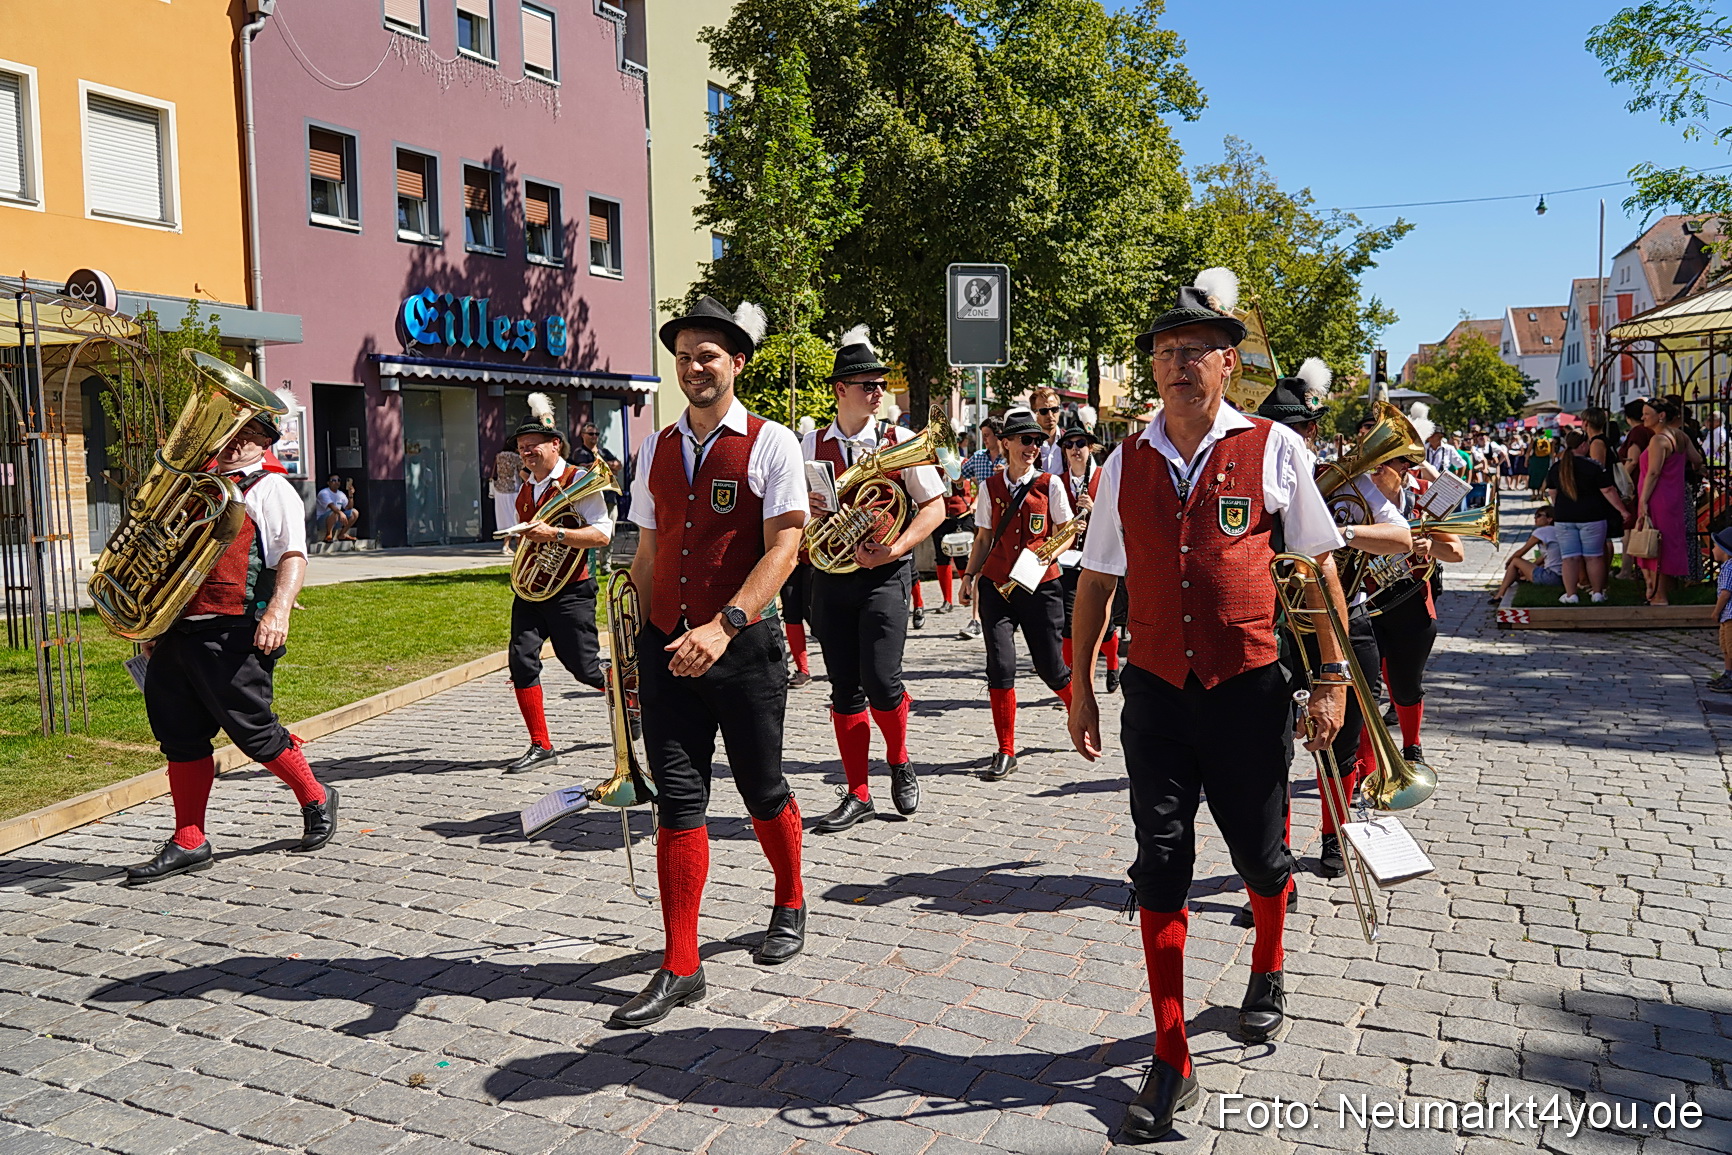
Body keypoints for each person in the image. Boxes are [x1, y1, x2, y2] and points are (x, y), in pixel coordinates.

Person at [1067, 270, 1350, 1143]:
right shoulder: (1124, 460)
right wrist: (1078, 677)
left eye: (1195, 351)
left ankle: (1266, 964)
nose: (1177, 364)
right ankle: (1171, 1049)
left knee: (1263, 857)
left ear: (1228, 363)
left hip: (1247, 687)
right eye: (1163, 352)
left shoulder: (1273, 448)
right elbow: (1098, 576)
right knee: (1160, 861)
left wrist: (1334, 676)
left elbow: (1320, 566)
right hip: (1153, 688)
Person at [613, 296, 808, 1028]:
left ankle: (789, 898)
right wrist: (633, 641)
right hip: (667, 646)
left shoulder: (772, 442)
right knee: (679, 800)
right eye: (685, 355)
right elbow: (651, 548)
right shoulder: (656, 445)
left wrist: (725, 625)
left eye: (709, 355)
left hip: (745, 647)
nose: (694, 367)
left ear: (737, 363)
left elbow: (785, 547)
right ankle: (681, 963)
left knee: (762, 788)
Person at [126, 409, 336, 883]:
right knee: (178, 735)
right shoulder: (191, 488)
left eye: (252, 434)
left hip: (235, 626)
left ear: (266, 443)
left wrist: (279, 610)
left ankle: (316, 796)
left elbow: (292, 555)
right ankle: (189, 839)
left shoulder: (270, 488)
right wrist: (150, 627)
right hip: (176, 628)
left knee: (254, 731)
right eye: (234, 431)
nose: (239, 441)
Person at [803, 326, 946, 832]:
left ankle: (900, 759)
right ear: (840, 390)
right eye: (867, 384)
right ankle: (858, 791)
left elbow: (933, 506)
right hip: (831, 577)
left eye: (880, 384)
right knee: (844, 687)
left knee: (882, 683)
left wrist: (896, 547)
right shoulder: (810, 442)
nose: (878, 392)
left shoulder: (899, 441)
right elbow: (796, 512)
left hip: (885, 575)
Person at [500, 394, 613, 774]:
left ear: (555, 445)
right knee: (520, 660)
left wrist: (556, 534)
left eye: (532, 447)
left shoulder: (578, 480)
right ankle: (540, 744)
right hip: (532, 590)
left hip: (572, 590)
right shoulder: (525, 488)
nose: (526, 454)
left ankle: (629, 697)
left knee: (584, 668)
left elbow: (601, 535)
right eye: (521, 449)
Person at [960, 412, 1074, 781]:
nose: (1032, 448)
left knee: (1051, 668)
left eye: (1037, 442)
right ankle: (1005, 749)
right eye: (1025, 440)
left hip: (1041, 586)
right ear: (1005, 443)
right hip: (997, 586)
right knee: (1001, 665)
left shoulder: (1050, 483)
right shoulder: (989, 487)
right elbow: (982, 538)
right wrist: (969, 576)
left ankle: (1080, 713)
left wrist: (1049, 554)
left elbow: (1066, 531)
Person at [1056, 426, 1127, 693]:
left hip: (1097, 559)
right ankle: (1070, 680)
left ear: (1091, 448)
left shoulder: (1104, 477)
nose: (1075, 450)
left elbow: (1119, 518)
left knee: (1105, 624)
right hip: (1066, 561)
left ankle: (1111, 663)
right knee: (1067, 621)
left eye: (1081, 444)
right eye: (1069, 445)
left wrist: (1094, 510)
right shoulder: (1057, 481)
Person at [1545, 431, 1631, 604]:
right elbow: (1608, 491)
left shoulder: (1557, 467)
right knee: (1594, 556)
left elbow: (1552, 493)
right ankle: (1597, 593)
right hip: (1592, 517)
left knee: (1569, 558)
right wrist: (1623, 511)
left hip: (1564, 518)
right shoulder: (1593, 467)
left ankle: (1570, 595)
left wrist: (1560, 508)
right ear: (1583, 445)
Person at [1636, 396, 1692, 605]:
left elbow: (1653, 473)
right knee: (1665, 542)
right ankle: (1656, 589)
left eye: (1647, 414)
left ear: (1661, 416)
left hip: (1657, 497)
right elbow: (1696, 460)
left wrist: (1643, 500)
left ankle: (1658, 594)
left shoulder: (1658, 440)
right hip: (1673, 497)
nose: (1643, 418)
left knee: (1653, 543)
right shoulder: (1680, 436)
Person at [956, 416, 1005, 641]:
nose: (984, 439)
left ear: (998, 436)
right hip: (985, 522)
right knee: (980, 569)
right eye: (983, 435)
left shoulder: (1012, 455)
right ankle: (975, 619)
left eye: (987, 435)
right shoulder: (977, 458)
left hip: (1008, 522)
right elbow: (958, 477)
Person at [571, 420, 623, 575]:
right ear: (583, 435)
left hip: (609, 497)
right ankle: (588, 566)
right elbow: (585, 467)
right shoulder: (579, 452)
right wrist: (607, 466)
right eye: (591, 434)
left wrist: (605, 465)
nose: (594, 437)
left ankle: (605, 566)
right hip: (590, 498)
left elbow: (618, 464)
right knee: (589, 533)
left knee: (610, 533)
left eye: (597, 434)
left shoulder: (604, 451)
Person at [1491, 505, 1563, 600]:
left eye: (1539, 515)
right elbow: (1544, 557)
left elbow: (1521, 552)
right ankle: (1519, 580)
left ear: (1549, 519)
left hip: (1550, 577)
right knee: (1522, 567)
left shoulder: (1542, 532)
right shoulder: (1558, 531)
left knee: (1516, 561)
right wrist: (1528, 567)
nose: (1535, 518)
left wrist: (1508, 563)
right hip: (1563, 578)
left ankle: (1499, 594)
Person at [1711, 527, 1732, 692]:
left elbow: (1725, 594)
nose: (1712, 549)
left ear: (1725, 551)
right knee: (1725, 646)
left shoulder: (1729, 568)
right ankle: (1728, 672)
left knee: (1731, 646)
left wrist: (1716, 611)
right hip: (1726, 617)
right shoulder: (1726, 567)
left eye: (1715, 546)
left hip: (1729, 615)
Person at [492, 450, 524, 556]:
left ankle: (506, 545)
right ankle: (518, 546)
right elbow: (523, 471)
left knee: (505, 518)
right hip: (513, 489)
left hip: (499, 489)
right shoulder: (516, 457)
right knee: (515, 517)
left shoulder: (499, 456)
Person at [1029, 385, 1067, 473]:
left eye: (1054, 409)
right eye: (1044, 411)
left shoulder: (1069, 439)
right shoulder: (1028, 441)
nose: (1050, 415)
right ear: (1035, 413)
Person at [315, 474, 359, 543]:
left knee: (354, 512)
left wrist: (351, 495)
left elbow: (349, 508)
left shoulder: (341, 494)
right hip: (322, 522)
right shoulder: (323, 493)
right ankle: (329, 535)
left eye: (338, 480)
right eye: (333, 480)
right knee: (335, 512)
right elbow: (332, 506)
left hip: (336, 519)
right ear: (328, 483)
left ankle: (342, 534)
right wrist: (341, 513)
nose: (336, 482)